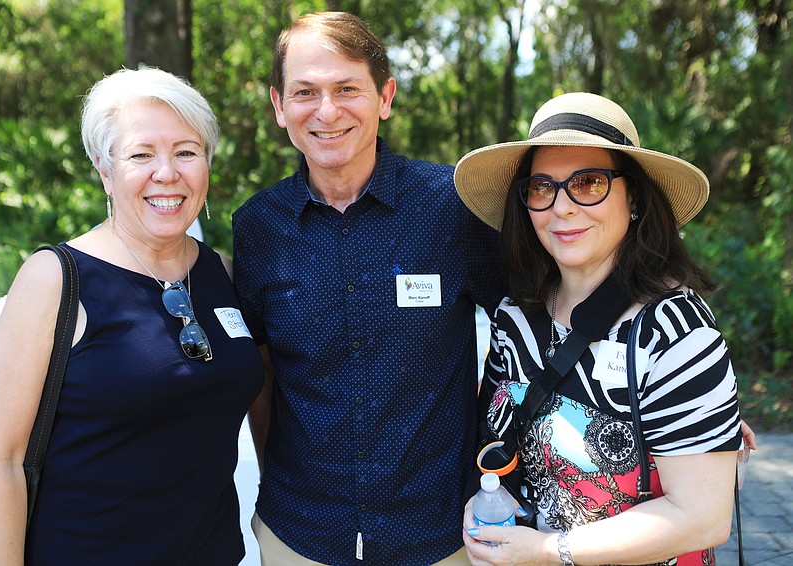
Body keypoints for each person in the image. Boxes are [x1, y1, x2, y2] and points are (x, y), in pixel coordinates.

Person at [232, 11, 503, 565]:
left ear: (385, 96)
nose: (326, 111)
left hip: (440, 536)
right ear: (279, 107)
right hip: (298, 534)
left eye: (347, 88)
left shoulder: (451, 206)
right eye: (305, 92)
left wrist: (672, 399)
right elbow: (259, 374)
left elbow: (544, 316)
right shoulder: (258, 228)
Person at [0, 67, 264, 565]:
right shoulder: (56, 279)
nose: (167, 173)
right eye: (141, 154)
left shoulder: (227, 276)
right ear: (105, 169)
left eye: (186, 152)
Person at [454, 92, 744, 564]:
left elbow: (705, 515)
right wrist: (482, 501)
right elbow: (498, 446)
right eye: (542, 187)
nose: (562, 207)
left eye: (589, 183)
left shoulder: (674, 334)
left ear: (634, 200)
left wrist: (550, 551)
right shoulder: (515, 320)